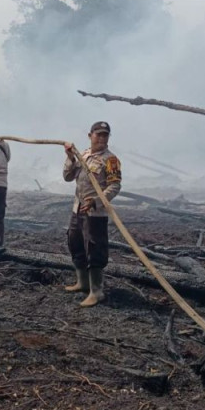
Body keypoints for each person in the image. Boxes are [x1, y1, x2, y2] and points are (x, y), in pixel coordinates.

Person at [62, 121, 122, 307]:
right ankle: (82, 283)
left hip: (95, 213)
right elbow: (67, 177)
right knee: (75, 242)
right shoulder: (83, 155)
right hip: (77, 208)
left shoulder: (110, 160)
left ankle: (97, 292)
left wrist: (96, 201)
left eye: (105, 135)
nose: (102, 138)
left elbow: (114, 186)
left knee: (95, 249)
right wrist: (70, 157)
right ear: (90, 135)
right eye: (99, 134)